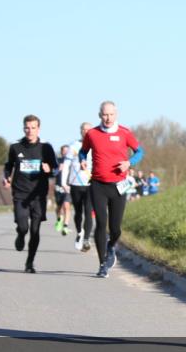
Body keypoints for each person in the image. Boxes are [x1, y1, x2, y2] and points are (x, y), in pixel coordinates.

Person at [79, 101, 144, 277]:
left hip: (118, 187)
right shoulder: (92, 134)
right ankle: (102, 264)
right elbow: (83, 151)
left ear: (116, 114)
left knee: (115, 229)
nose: (108, 118)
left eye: (111, 114)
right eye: (105, 115)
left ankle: (111, 246)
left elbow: (140, 152)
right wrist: (82, 159)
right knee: (101, 224)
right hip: (98, 185)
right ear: (99, 115)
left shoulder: (125, 133)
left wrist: (129, 163)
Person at [3, 115, 58, 273]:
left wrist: (49, 170)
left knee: (35, 230)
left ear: (38, 129)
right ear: (23, 128)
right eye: (27, 128)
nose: (30, 131)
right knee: (23, 226)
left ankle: (29, 263)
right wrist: (6, 177)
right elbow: (8, 165)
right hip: (20, 193)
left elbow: (55, 169)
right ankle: (20, 235)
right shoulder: (16, 147)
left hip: (38, 195)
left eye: (33, 128)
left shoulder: (46, 148)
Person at [69, 123, 94, 252]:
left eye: (88, 129)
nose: (86, 131)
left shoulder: (96, 145)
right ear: (80, 131)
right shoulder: (74, 146)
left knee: (88, 211)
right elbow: (67, 164)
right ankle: (79, 232)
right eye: (83, 129)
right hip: (76, 184)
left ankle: (86, 239)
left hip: (91, 183)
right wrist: (64, 182)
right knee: (78, 212)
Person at [54, 145, 73, 235]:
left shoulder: (72, 161)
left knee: (66, 206)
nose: (65, 153)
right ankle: (59, 219)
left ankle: (65, 226)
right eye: (64, 151)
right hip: (58, 187)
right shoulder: (57, 161)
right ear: (61, 152)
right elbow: (53, 173)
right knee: (59, 207)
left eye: (67, 151)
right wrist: (58, 169)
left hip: (68, 187)